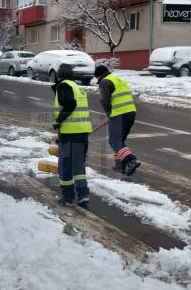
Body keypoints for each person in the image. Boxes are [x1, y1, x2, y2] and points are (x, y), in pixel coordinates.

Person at [52, 63, 93, 206]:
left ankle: (68, 197)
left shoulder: (63, 85)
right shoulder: (77, 87)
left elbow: (70, 104)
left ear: (59, 75)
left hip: (70, 133)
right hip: (82, 132)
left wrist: (58, 121)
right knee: (78, 166)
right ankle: (83, 194)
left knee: (65, 166)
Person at [95, 64, 140, 176]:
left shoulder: (104, 82)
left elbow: (104, 100)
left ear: (99, 76)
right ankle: (120, 165)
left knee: (114, 141)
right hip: (131, 112)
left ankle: (130, 160)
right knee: (119, 141)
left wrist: (110, 114)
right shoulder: (117, 79)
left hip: (119, 114)